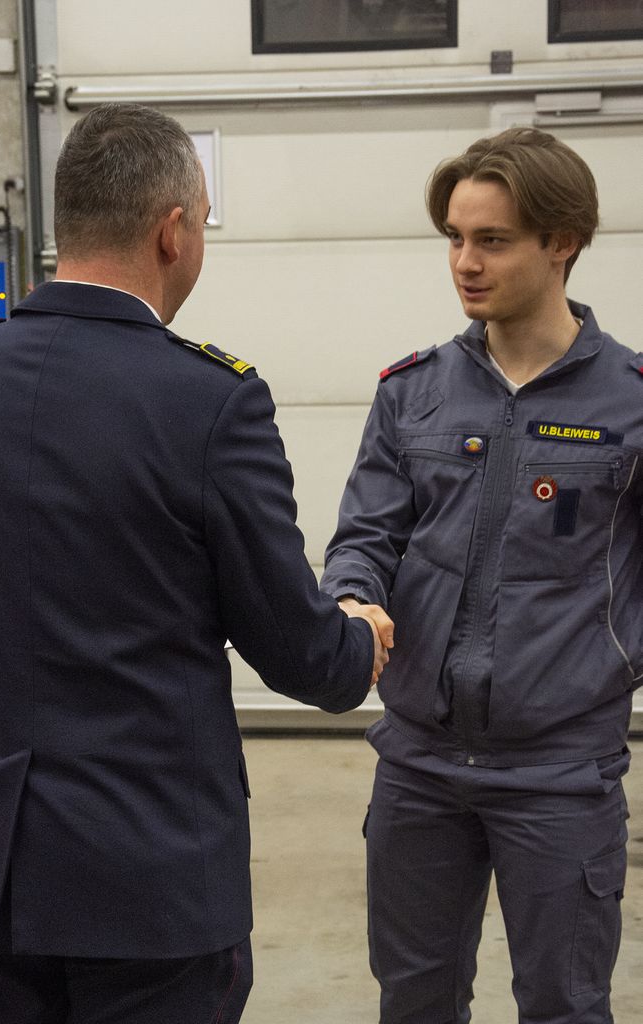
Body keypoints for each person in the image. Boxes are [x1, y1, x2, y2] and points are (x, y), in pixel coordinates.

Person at [0, 103, 393, 1024]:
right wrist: (358, 638)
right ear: (173, 231)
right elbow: (301, 654)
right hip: (147, 886)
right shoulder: (209, 403)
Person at [321, 126, 641, 1024]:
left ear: (562, 241)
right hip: (418, 765)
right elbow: (365, 535)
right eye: (455, 238)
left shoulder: (630, 403)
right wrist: (353, 597)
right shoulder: (412, 391)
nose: (465, 262)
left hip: (561, 774)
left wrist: (614, 661)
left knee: (564, 1005)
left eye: (492, 240)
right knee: (414, 1001)